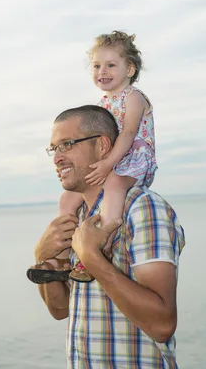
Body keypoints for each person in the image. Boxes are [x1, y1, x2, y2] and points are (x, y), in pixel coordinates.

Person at [28, 105, 186, 368]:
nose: (57, 158)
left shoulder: (142, 208)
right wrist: (41, 257)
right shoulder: (75, 216)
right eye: (54, 149)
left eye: (67, 144)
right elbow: (60, 309)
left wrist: (92, 258)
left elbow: (162, 325)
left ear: (102, 146)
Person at [29, 30, 158, 283]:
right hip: (111, 160)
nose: (102, 71)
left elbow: (129, 134)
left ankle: (103, 245)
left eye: (111, 65)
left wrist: (108, 163)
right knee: (68, 198)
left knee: (113, 184)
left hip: (134, 158)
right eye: (97, 66)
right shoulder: (102, 104)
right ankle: (61, 254)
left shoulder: (134, 98)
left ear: (130, 69)